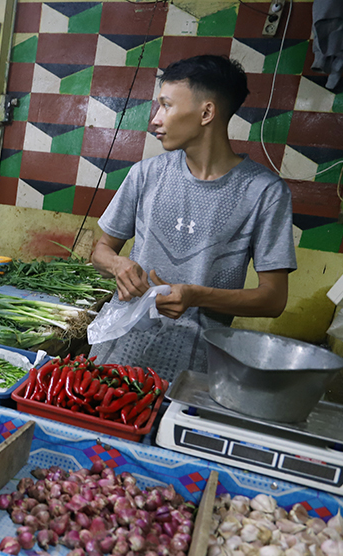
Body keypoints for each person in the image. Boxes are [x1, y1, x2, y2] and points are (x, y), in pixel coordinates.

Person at [89, 55, 297, 381]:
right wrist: (118, 265)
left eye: (166, 106)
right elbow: (101, 249)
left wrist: (196, 296)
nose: (155, 119)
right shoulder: (145, 174)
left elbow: (273, 299)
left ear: (206, 112)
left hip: (197, 367)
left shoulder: (265, 193)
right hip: (120, 350)